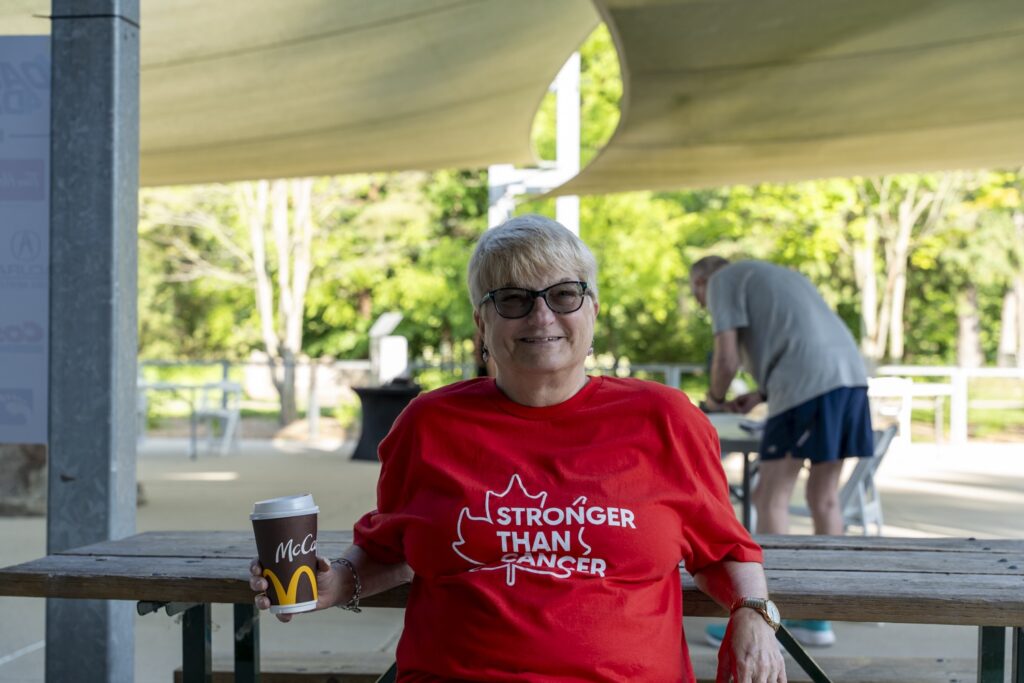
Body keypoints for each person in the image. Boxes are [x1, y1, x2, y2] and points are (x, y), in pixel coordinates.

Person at [251, 216, 786, 682]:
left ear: (593, 310)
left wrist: (754, 612)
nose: (541, 316)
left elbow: (725, 549)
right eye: (512, 299)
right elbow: (391, 549)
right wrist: (336, 581)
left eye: (564, 295)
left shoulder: (665, 418)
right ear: (482, 323)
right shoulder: (429, 424)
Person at [689, 256, 873, 648]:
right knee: (825, 498)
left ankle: (773, 618)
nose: (704, 306)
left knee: (768, 496)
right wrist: (760, 394)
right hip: (850, 379)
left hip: (803, 384)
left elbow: (727, 358)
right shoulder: (774, 274)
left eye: (697, 297)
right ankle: (821, 617)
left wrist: (714, 400)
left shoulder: (721, 280)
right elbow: (800, 337)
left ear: (701, 281)